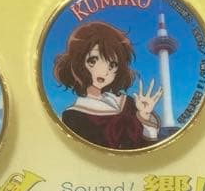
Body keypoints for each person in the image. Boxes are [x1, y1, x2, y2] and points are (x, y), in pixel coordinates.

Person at [52, 21, 162, 150]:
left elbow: (147, 150)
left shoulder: (128, 103)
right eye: (93, 61)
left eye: (112, 65)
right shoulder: (73, 116)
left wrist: (144, 117)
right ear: (77, 62)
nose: (105, 72)